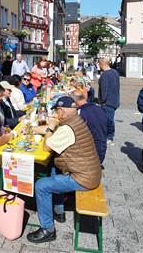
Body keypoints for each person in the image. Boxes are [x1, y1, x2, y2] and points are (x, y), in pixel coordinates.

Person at [27, 96, 101, 243]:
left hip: (84, 178)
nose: (56, 115)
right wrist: (32, 128)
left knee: (41, 185)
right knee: (54, 167)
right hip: (89, 171)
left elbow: (47, 146)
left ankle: (48, 229)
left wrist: (49, 128)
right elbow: (53, 133)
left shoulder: (68, 128)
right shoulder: (75, 121)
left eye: (57, 111)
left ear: (61, 111)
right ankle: (59, 210)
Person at [71, 90, 109, 164]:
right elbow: (110, 126)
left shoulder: (80, 113)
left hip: (90, 153)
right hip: (102, 148)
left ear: (74, 101)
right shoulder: (100, 108)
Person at [98, 57, 120, 145]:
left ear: (101, 64)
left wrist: (102, 101)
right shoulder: (115, 72)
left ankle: (109, 137)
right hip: (115, 100)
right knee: (110, 119)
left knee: (108, 120)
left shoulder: (105, 75)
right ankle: (109, 136)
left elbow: (104, 89)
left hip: (107, 102)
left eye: (99, 64)